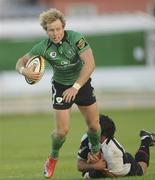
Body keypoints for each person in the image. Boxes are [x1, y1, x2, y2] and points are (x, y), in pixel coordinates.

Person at [15, 8, 101, 179]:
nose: (55, 33)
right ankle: (53, 157)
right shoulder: (43, 47)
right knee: (62, 132)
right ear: (46, 31)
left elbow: (90, 65)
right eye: (51, 30)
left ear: (63, 27)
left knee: (93, 126)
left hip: (81, 84)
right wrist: (24, 71)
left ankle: (96, 152)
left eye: (58, 29)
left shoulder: (76, 38)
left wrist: (75, 87)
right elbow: (20, 62)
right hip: (61, 86)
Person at [77, 114, 155, 179]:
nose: (89, 130)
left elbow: (115, 177)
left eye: (93, 128)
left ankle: (145, 140)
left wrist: (101, 168)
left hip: (125, 166)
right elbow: (79, 165)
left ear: (102, 135)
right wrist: (94, 166)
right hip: (106, 165)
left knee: (142, 169)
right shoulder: (86, 138)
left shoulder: (112, 151)